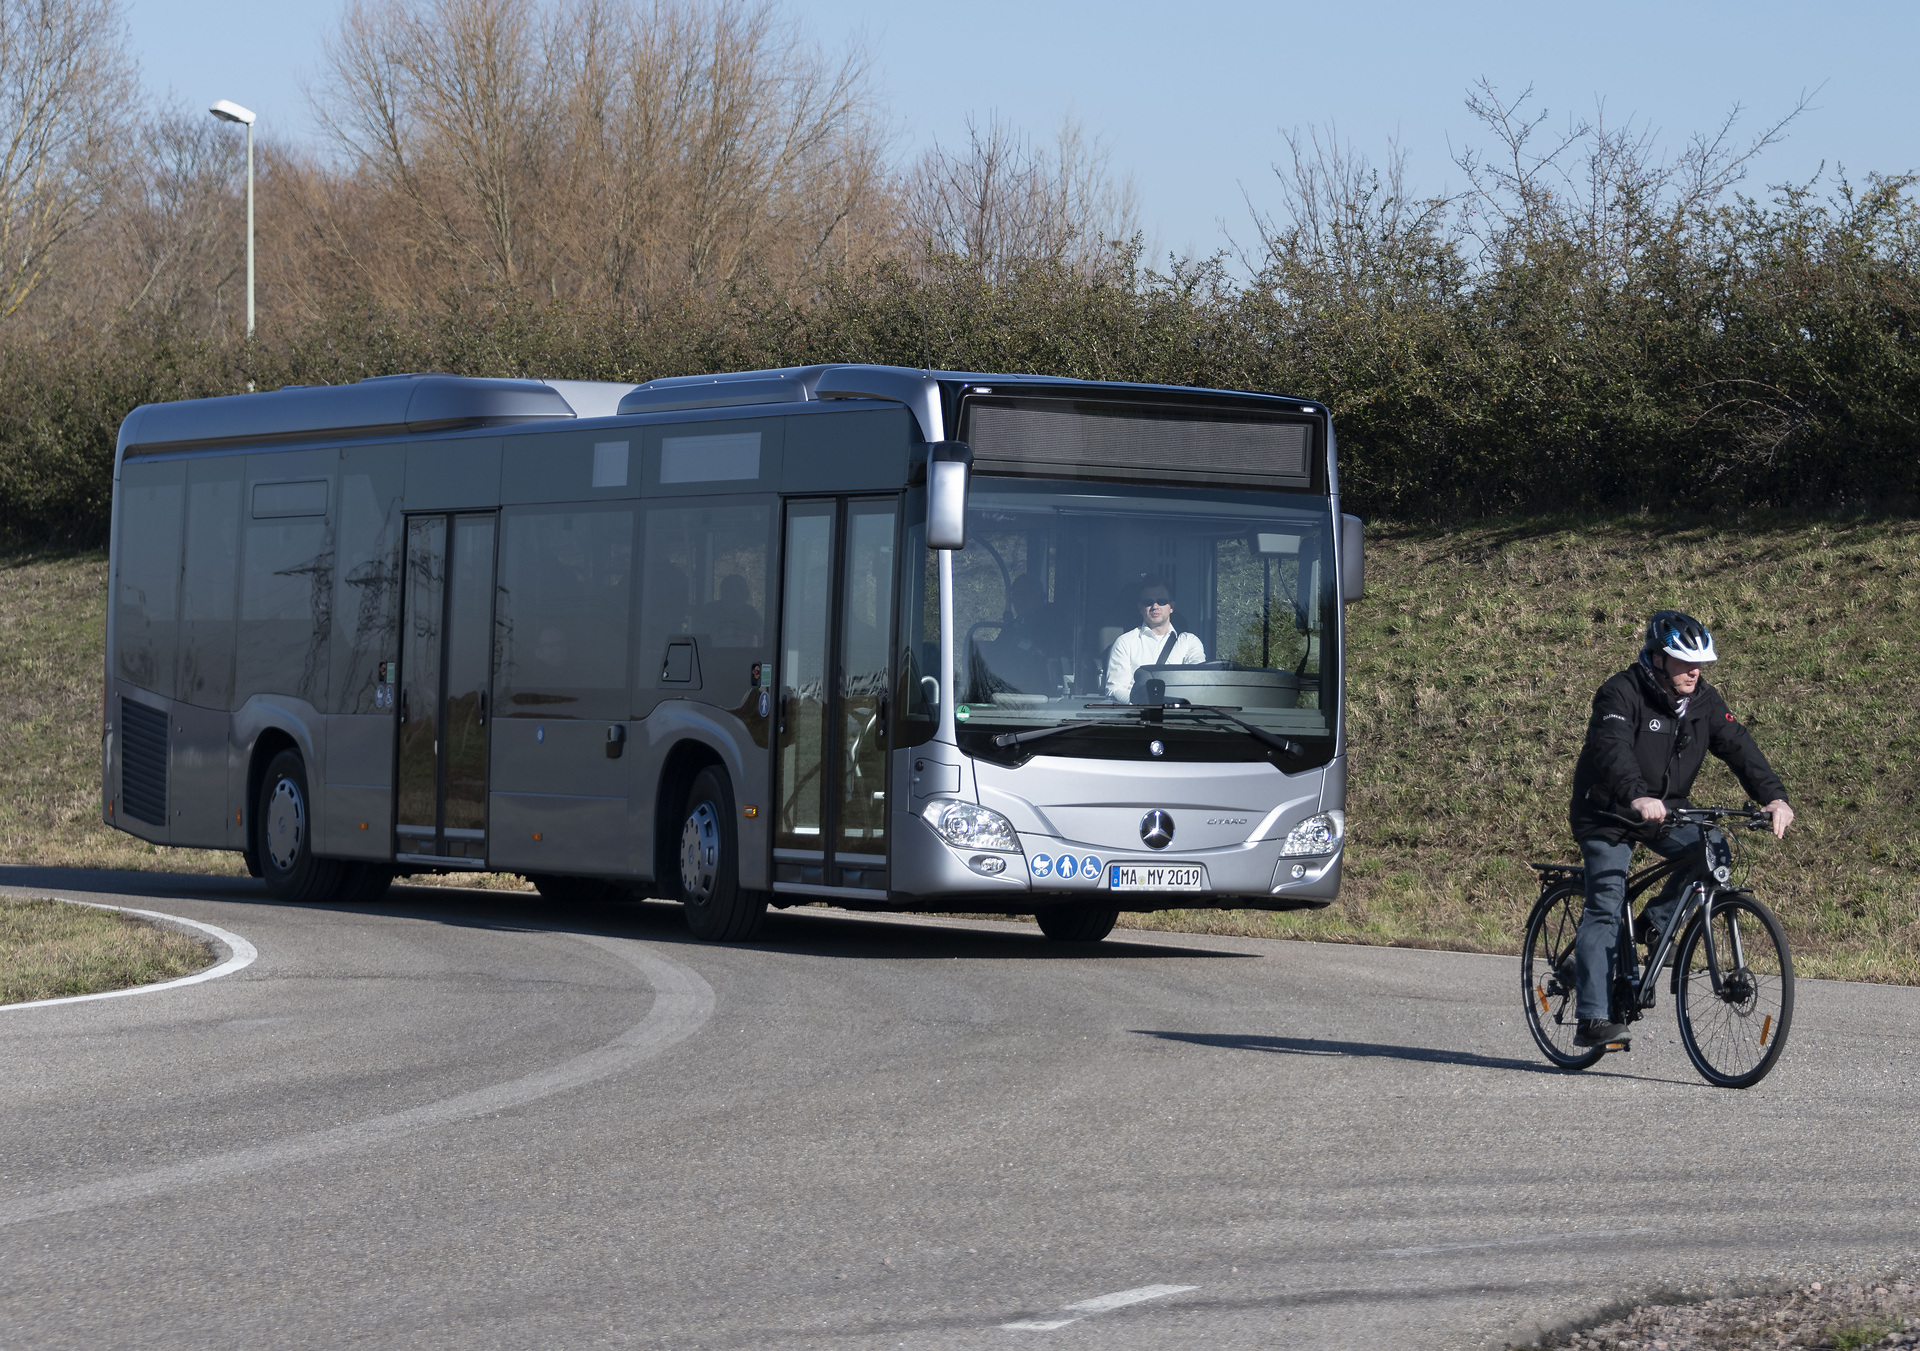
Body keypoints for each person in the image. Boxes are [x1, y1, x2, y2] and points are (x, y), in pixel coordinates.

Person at [1567, 610, 1793, 1047]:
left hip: (1665, 810)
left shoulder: (1702, 701)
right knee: (1606, 904)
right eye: (1685, 662)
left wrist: (1774, 797)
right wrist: (1636, 794)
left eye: (1701, 663)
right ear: (1656, 659)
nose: (1695, 671)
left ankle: (1654, 922)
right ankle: (1592, 1018)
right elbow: (1612, 749)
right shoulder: (1620, 692)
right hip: (1608, 812)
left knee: (1714, 851)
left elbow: (1740, 746)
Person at [1105, 576, 1205, 701]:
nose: (1155, 606)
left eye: (1162, 601)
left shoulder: (1189, 642)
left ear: (1171, 606)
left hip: (1178, 716)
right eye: (1148, 602)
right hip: (1136, 717)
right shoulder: (1125, 643)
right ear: (1140, 607)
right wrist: (1143, 705)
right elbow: (1115, 689)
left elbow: (1199, 682)